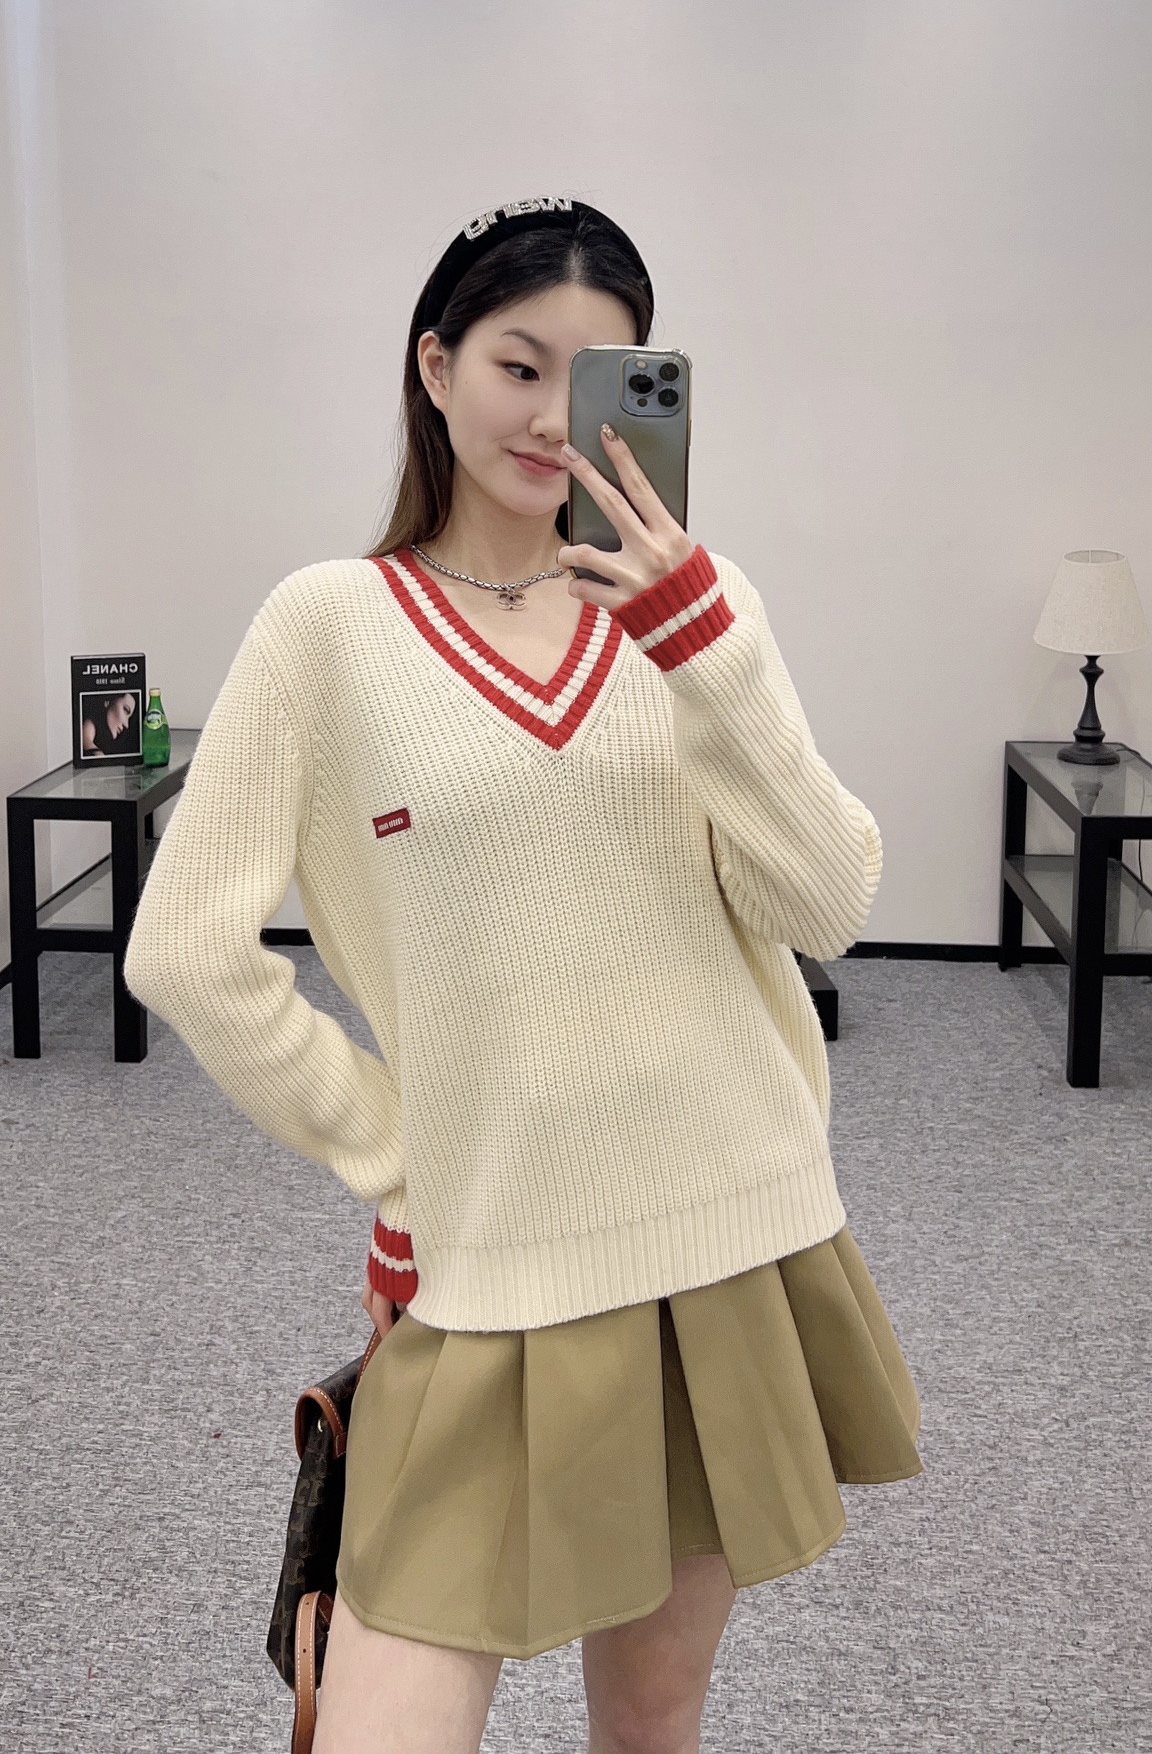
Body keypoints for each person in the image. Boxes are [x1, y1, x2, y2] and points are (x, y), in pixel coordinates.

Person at [124, 198, 922, 1754]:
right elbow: (187, 951)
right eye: (517, 363)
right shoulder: (327, 628)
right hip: (485, 1259)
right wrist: (392, 1149)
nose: (557, 416)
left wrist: (703, 650)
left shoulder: (700, 615)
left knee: (654, 1715)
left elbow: (826, 903)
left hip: (723, 1228)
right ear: (435, 368)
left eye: (598, 374)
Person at [81, 691, 137, 757]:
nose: (126, 725)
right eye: (126, 710)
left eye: (129, 718)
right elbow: (85, 737)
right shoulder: (90, 724)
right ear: (108, 702)